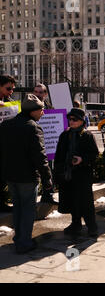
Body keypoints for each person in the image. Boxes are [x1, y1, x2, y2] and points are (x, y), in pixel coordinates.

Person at [0, 94, 53, 254]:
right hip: (27, 177)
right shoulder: (33, 127)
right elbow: (40, 156)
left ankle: (18, 239)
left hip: (10, 176)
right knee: (28, 210)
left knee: (18, 208)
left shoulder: (6, 125)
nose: (43, 113)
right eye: (41, 110)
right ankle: (24, 242)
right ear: (33, 111)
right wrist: (47, 178)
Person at [55, 108, 99, 237]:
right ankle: (76, 224)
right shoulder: (64, 135)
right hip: (68, 174)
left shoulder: (87, 135)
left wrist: (82, 159)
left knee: (86, 202)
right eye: (70, 119)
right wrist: (58, 172)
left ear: (81, 121)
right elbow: (59, 155)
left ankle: (92, 226)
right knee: (72, 200)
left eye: (74, 119)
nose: (71, 121)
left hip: (83, 174)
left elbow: (94, 155)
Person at [0, 74, 16, 213]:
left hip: (6, 144)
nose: (11, 91)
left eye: (12, 89)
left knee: (3, 174)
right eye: (8, 88)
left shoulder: (10, 101)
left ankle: (2, 201)